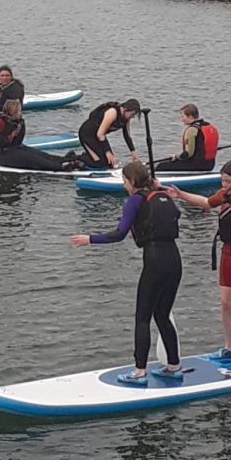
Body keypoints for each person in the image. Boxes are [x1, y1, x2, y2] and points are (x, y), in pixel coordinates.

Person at [70, 161, 183, 384]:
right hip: (174, 260)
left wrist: (90, 239)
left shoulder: (135, 200)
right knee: (162, 315)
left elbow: (119, 234)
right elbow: (175, 215)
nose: (124, 186)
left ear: (132, 182)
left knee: (142, 317)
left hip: (154, 260)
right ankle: (174, 365)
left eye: (124, 181)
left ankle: (139, 372)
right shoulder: (163, 196)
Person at [165, 159, 231, 370]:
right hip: (229, 253)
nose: (224, 185)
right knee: (225, 303)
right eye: (222, 180)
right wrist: (181, 195)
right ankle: (230, 347)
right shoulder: (225, 195)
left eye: (228, 181)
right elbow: (206, 203)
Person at [0, 99, 83, 171]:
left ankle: (68, 160)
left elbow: (18, 141)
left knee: (40, 154)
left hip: (15, 149)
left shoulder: (19, 122)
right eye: (18, 111)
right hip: (2, 155)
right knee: (33, 160)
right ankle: (61, 167)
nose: (20, 113)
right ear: (11, 112)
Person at [77, 99, 141, 169]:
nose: (133, 117)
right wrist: (107, 152)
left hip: (99, 137)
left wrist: (133, 153)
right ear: (125, 109)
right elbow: (100, 134)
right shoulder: (113, 113)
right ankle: (74, 160)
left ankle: (90, 155)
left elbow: (127, 135)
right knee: (99, 162)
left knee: (110, 163)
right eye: (132, 114)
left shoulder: (126, 117)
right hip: (87, 135)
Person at [155, 104, 219, 172]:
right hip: (210, 164)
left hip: (197, 165)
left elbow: (188, 154)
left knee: (161, 166)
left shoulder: (191, 130)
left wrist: (176, 157)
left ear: (190, 117)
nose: (181, 119)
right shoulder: (208, 126)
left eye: (183, 116)